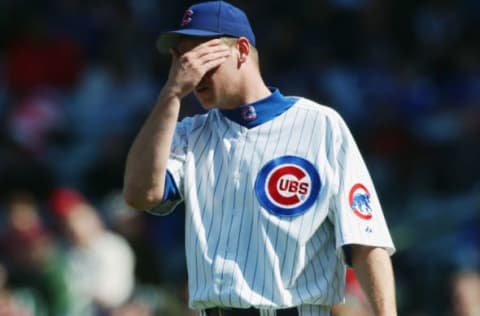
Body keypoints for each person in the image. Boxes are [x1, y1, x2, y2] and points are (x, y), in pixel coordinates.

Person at [123, 1, 396, 315]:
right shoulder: (188, 135)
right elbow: (140, 194)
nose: (191, 71)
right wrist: (170, 94)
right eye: (183, 59)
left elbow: (365, 239)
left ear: (241, 50)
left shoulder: (320, 125)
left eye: (201, 56)